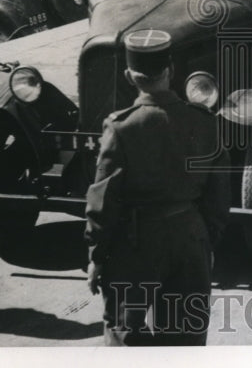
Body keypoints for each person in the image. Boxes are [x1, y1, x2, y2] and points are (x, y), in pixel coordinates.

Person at [85, 29, 230, 346]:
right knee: (185, 342)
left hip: (135, 246)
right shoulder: (205, 122)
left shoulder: (121, 126)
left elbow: (103, 201)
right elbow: (219, 193)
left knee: (128, 338)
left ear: (128, 76)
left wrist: (96, 256)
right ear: (171, 71)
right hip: (190, 239)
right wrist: (206, 242)